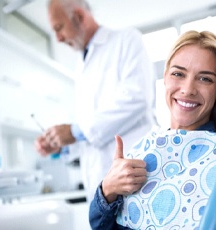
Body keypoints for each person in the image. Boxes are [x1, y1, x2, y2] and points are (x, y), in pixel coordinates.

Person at [88, 30, 216, 229]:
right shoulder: (146, 147)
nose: (188, 89)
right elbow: (99, 225)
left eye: (205, 79)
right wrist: (108, 189)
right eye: (178, 74)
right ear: (165, 78)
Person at [34, 0, 157, 202]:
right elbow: (91, 130)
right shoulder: (81, 66)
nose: (57, 38)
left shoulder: (126, 40)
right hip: (101, 188)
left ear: (80, 17)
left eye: (59, 28)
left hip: (134, 179)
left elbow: (137, 98)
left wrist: (73, 132)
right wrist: (61, 143)